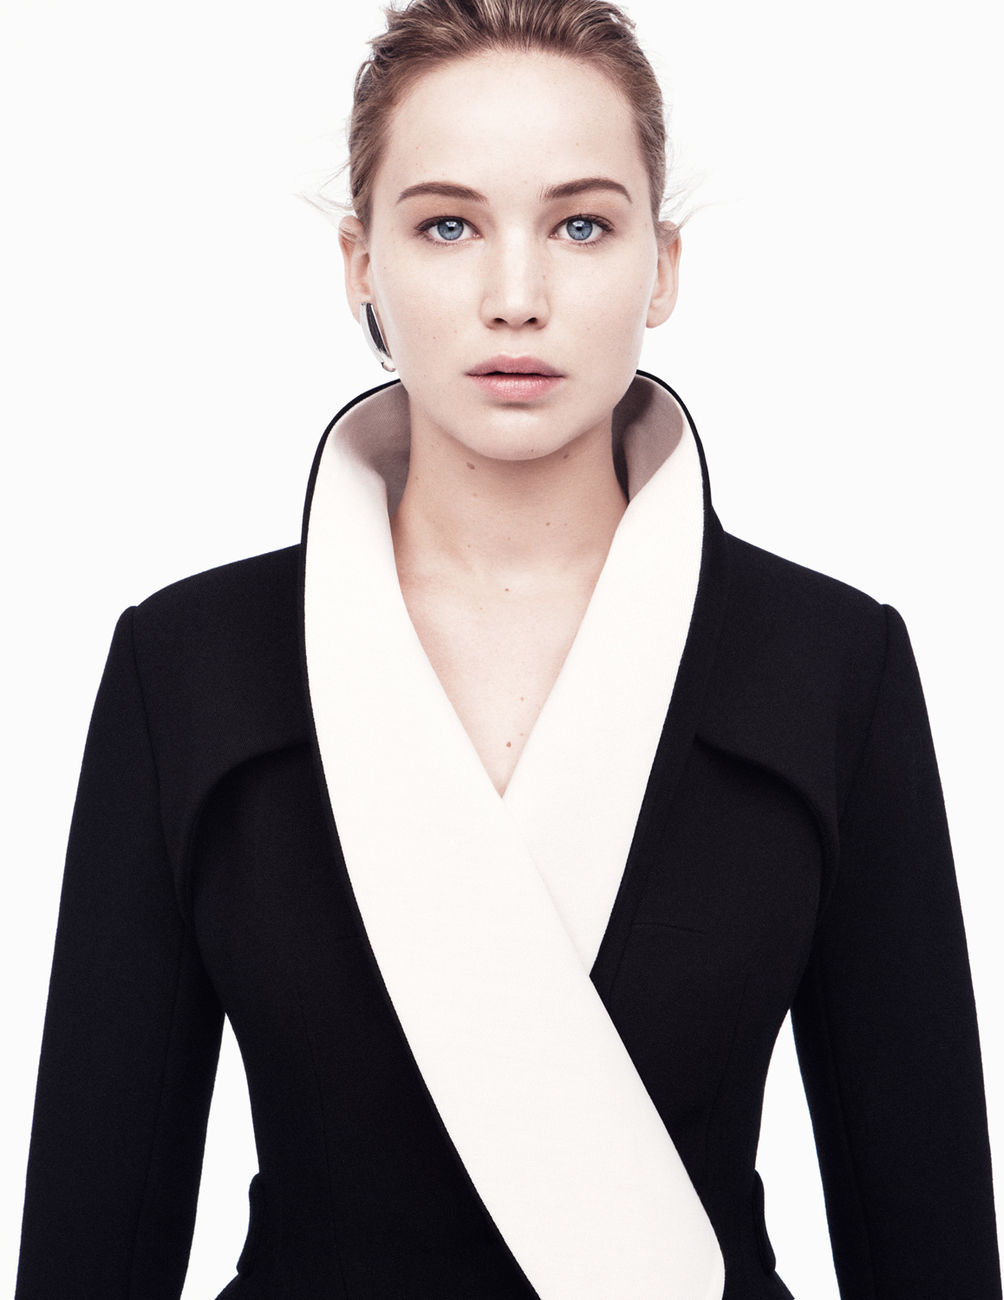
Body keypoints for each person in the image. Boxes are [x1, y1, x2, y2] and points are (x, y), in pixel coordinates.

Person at [13, 0, 1000, 1296]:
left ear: (663, 266)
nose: (516, 298)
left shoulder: (828, 666)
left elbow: (926, 1231)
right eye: (448, 225)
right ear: (361, 263)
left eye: (582, 225)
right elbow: (92, 1229)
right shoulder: (189, 667)